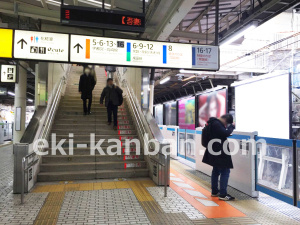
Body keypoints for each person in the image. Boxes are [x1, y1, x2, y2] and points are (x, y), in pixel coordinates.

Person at [202, 114, 235, 201]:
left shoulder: (212, 123)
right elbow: (225, 133)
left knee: (216, 171)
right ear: (226, 120)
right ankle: (223, 194)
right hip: (220, 152)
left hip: (214, 151)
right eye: (227, 124)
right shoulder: (216, 124)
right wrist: (232, 127)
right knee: (225, 171)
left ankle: (215, 191)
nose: (226, 126)